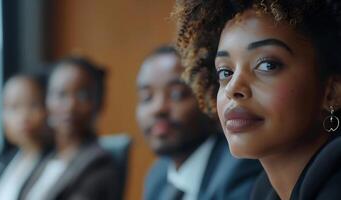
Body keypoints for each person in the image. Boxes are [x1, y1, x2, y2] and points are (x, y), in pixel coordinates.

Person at [174, 0, 341, 199]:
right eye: (225, 71)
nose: (233, 88)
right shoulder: (265, 192)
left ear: (332, 92)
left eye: (267, 66)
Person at [136, 45, 261, 200]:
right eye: (146, 97)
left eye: (177, 94)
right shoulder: (158, 175)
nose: (158, 108)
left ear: (210, 99)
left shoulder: (239, 168)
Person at [19, 56, 119, 200]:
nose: (70, 106)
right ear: (47, 101)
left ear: (99, 103)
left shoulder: (99, 165)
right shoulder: (46, 158)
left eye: (82, 96)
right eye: (60, 95)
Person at [0, 74, 50, 200]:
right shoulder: (1, 163)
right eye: (14, 107)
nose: (24, 116)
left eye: (33, 105)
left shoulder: (56, 162)